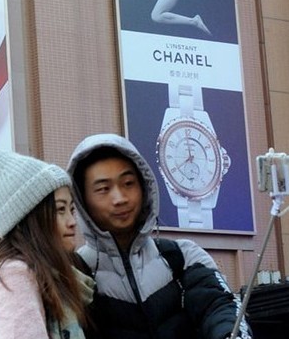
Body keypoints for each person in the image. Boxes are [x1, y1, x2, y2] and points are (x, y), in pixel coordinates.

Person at [67, 133, 251, 339]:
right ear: (82, 200)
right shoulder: (73, 274)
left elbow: (220, 307)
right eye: (103, 189)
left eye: (128, 183)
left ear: (144, 186)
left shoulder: (182, 257)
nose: (119, 198)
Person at [0, 140, 91, 339]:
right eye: (60, 209)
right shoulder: (14, 275)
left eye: (71, 209)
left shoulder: (27, 273)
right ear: (32, 218)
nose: (72, 221)